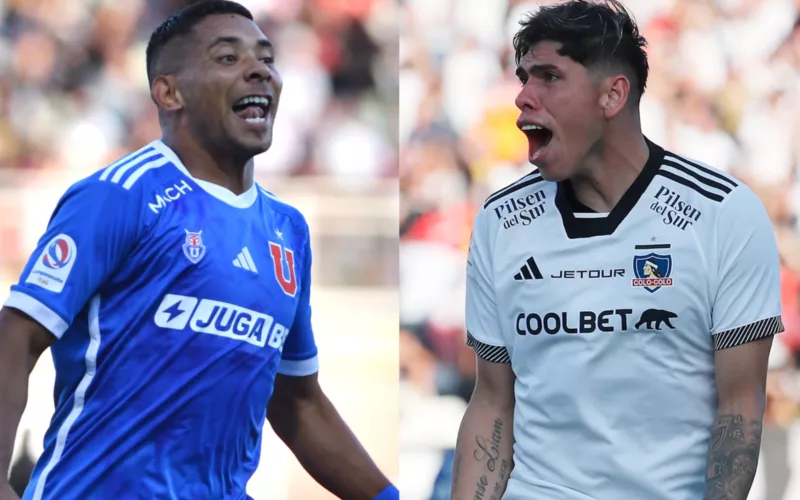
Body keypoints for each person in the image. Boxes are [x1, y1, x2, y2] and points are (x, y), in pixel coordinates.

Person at [0, 2, 399, 499]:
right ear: (169, 91)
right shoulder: (122, 195)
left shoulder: (286, 230)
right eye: (228, 58)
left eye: (266, 58)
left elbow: (298, 402)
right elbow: (16, 336)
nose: (259, 70)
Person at [451, 1, 783, 499]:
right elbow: (493, 401)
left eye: (548, 77)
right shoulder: (500, 221)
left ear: (612, 94)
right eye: (523, 77)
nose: (522, 97)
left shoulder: (722, 213)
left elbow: (740, 403)